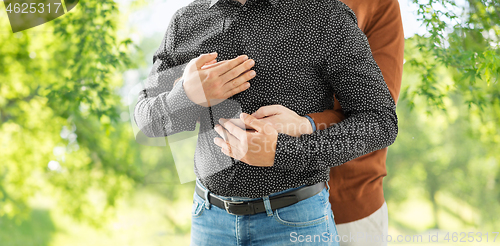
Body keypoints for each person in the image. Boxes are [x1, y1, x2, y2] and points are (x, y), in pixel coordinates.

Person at [133, 0, 398, 245]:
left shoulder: (325, 16)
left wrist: (281, 151)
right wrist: (187, 96)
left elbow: (380, 122)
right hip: (209, 222)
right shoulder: (186, 21)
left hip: (297, 222)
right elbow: (145, 124)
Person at [245, 0, 404, 245]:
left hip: (349, 200)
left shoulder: (377, 4)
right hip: (244, 207)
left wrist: (306, 124)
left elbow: (376, 111)